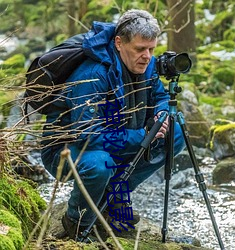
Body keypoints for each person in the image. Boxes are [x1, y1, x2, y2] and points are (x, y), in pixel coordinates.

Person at [41, 9, 185, 241]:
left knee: (175, 133)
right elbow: (87, 135)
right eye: (140, 49)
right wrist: (143, 135)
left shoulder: (145, 64)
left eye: (151, 49)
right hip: (68, 149)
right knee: (100, 165)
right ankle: (77, 221)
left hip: (116, 137)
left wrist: (161, 114)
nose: (147, 56)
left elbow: (159, 96)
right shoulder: (93, 75)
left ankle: (112, 198)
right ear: (119, 43)